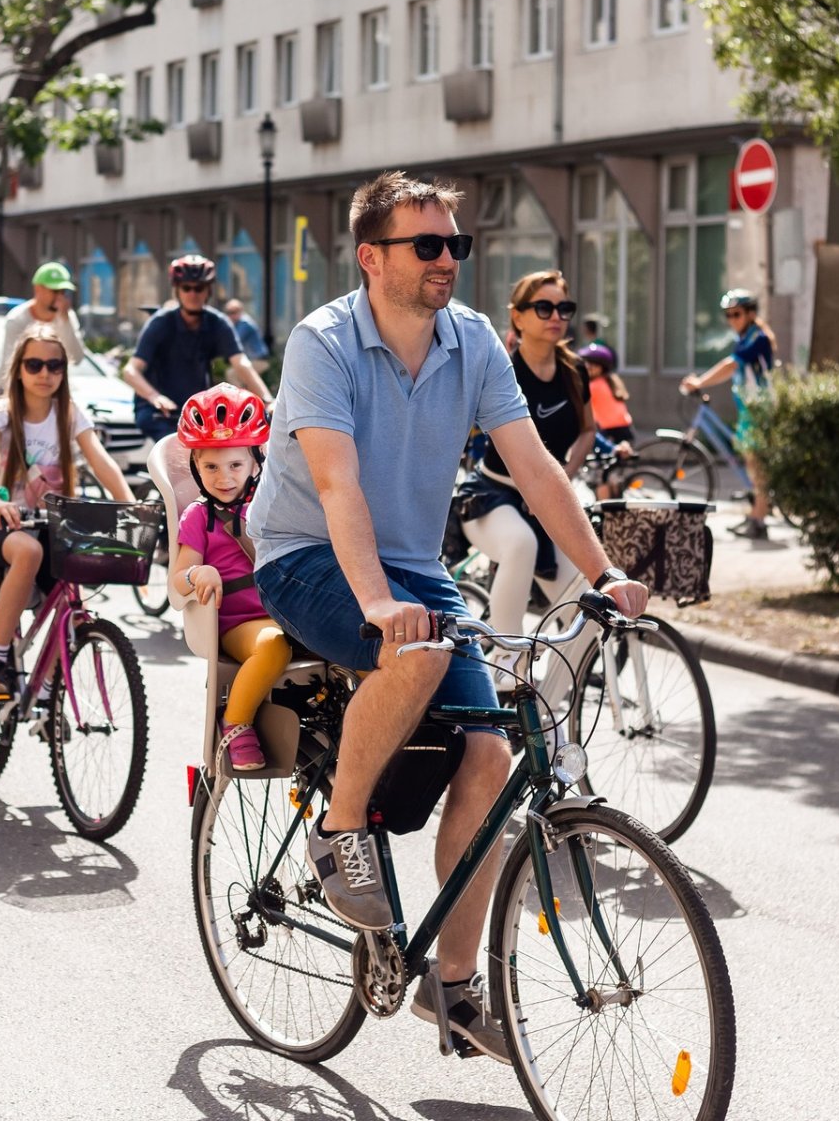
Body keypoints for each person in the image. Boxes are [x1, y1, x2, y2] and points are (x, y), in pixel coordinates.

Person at [247, 170, 649, 1061]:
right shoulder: (325, 342)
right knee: (416, 656)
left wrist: (603, 571)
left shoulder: (471, 341)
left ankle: (455, 988)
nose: (447, 259)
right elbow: (334, 483)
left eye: (455, 245)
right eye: (427, 245)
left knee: (489, 754)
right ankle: (339, 826)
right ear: (371, 256)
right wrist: (382, 603)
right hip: (305, 554)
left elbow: (538, 469)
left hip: (413, 567)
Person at [0, 324, 135, 696]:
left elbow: (101, 461)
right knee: (29, 550)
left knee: (74, 580)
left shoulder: (69, 413)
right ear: (19, 369)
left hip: (51, 524)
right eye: (35, 364)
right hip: (1, 523)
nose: (45, 374)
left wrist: (130, 505)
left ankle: (46, 691)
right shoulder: (1, 412)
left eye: (55, 365)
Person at [455, 272, 595, 679]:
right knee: (520, 543)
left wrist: (564, 475)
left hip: (547, 500)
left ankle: (545, 707)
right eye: (544, 307)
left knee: (584, 612)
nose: (556, 316)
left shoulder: (575, 371)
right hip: (492, 496)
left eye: (564, 308)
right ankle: (505, 661)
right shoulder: (504, 368)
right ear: (517, 316)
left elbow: (588, 430)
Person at [171, 384, 290, 770]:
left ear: (256, 462)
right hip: (240, 623)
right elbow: (177, 579)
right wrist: (197, 572)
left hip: (290, 610)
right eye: (211, 467)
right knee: (273, 645)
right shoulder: (198, 517)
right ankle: (236, 723)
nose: (223, 477)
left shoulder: (272, 504)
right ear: (195, 467)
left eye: (235, 465)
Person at [121, 255, 267, 440]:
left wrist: (267, 400)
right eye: (186, 288)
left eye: (199, 288)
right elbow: (130, 370)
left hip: (196, 412)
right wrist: (154, 397)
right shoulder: (160, 323)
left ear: (208, 291)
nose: (193, 294)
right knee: (177, 453)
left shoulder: (218, 323)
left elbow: (241, 362)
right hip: (159, 413)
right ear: (177, 291)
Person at [680, 287, 776, 537]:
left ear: (751, 313)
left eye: (737, 314)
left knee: (757, 466)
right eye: (728, 315)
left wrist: (700, 382)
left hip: (759, 409)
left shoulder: (758, 338)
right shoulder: (746, 337)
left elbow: (731, 365)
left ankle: (759, 520)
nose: (732, 320)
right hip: (749, 409)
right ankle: (756, 512)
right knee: (751, 463)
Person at [0, 261, 84, 394]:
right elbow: (12, 364)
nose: (59, 297)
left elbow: (76, 358)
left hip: (50, 393)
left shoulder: (67, 317)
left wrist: (65, 322)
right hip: (13, 392)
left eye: (63, 291)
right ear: (38, 289)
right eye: (54, 291)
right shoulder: (17, 319)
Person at [580, 342, 638, 500]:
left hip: (612, 433)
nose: (587, 367)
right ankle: (613, 509)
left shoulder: (594, 386)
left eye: (592, 364)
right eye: (586, 363)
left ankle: (605, 512)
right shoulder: (610, 381)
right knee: (612, 475)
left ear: (602, 368)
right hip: (625, 431)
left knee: (601, 476)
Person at [223, 298, 270, 374]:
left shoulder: (245, 324)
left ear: (240, 311)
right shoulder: (237, 324)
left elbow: (233, 341)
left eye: (233, 312)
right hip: (252, 360)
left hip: (259, 360)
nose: (230, 315)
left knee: (231, 374)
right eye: (228, 312)